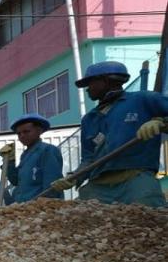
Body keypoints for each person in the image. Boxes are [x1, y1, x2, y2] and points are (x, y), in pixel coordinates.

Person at [51, 61, 168, 207]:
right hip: (99, 186)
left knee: (150, 221)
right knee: (77, 219)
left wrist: (161, 122)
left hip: (135, 179)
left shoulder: (143, 99)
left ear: (107, 80)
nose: (87, 89)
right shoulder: (89, 119)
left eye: (91, 83)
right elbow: (88, 159)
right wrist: (74, 176)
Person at [0, 114, 64, 203]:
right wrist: (10, 161)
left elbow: (51, 187)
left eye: (26, 131)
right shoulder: (25, 155)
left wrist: (43, 207)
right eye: (19, 133)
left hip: (40, 208)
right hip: (23, 207)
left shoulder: (48, 150)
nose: (22, 136)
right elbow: (16, 181)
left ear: (39, 131)